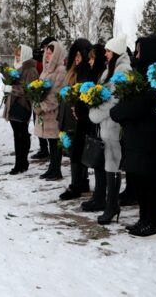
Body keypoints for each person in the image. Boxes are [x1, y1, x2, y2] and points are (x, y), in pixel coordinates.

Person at [110, 36, 156, 236]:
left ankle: (152, 222)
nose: (136, 56)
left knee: (152, 185)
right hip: (138, 140)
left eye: (139, 51)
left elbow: (137, 106)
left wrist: (120, 112)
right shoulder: (140, 75)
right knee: (141, 183)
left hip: (150, 141)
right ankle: (144, 219)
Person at [88, 35, 132, 224]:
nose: (105, 54)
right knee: (109, 164)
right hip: (106, 125)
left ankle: (112, 206)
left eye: (108, 51)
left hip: (113, 125)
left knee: (113, 164)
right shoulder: (111, 69)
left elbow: (115, 99)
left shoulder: (123, 70)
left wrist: (95, 113)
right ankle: (110, 204)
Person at [58, 38, 93, 199]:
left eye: (80, 56)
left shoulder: (87, 74)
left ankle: (77, 184)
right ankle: (79, 181)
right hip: (69, 115)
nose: (77, 59)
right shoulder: (72, 72)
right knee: (73, 149)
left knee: (78, 150)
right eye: (75, 56)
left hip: (79, 117)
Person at [34, 41, 68, 181]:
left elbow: (56, 95)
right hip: (44, 112)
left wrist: (42, 106)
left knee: (55, 142)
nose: (47, 55)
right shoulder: (46, 70)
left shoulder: (60, 70)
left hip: (53, 113)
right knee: (50, 141)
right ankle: (52, 167)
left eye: (50, 53)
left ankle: (56, 169)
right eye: (46, 52)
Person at [80, 43, 108, 212]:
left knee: (101, 162)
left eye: (92, 58)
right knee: (98, 163)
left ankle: (100, 197)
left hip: (101, 122)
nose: (89, 62)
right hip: (95, 121)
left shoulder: (102, 74)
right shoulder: (96, 74)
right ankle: (98, 196)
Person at [4, 44, 39, 175]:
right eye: (16, 54)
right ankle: (21, 163)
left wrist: (12, 89)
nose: (16, 57)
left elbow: (29, 90)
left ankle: (20, 163)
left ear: (25, 54)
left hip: (22, 106)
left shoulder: (30, 70)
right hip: (14, 105)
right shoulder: (17, 67)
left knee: (21, 135)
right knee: (18, 135)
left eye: (19, 54)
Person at [31, 36, 56, 160]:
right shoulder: (42, 59)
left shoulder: (56, 61)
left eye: (46, 48)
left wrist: (38, 62)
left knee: (51, 130)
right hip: (39, 96)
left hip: (49, 101)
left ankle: (51, 151)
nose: (44, 51)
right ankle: (43, 148)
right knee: (38, 123)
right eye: (44, 48)